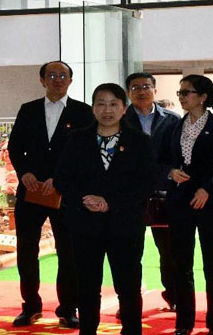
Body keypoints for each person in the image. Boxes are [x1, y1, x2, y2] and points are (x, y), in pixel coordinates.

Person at [54, 83, 156, 335]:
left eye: (113, 104)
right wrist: (85, 199)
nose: (107, 110)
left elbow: (146, 183)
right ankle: (88, 330)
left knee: (128, 285)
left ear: (124, 108)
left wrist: (110, 202)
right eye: (101, 103)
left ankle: (131, 330)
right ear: (93, 108)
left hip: (125, 224)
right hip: (85, 224)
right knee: (87, 285)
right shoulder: (77, 139)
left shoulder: (140, 142)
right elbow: (62, 179)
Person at [7, 60, 94, 327]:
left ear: (71, 80)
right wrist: (24, 172)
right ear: (42, 80)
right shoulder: (28, 110)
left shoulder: (83, 112)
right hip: (31, 190)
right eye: (52, 75)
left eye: (63, 75)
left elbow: (85, 153)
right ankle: (30, 306)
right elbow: (15, 147)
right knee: (26, 251)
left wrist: (60, 180)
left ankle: (68, 309)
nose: (57, 79)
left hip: (65, 194)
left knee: (68, 252)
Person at [164, 74, 213, 335]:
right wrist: (171, 172)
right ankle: (184, 324)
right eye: (180, 93)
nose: (181, 97)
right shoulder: (172, 127)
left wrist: (208, 190)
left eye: (186, 92)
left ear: (203, 97)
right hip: (179, 202)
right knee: (181, 264)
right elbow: (161, 160)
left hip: (211, 203)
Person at [124, 71, 180, 312]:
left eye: (146, 86)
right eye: (135, 87)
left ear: (155, 90)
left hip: (163, 193)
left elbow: (178, 155)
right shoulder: (120, 118)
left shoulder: (172, 120)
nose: (141, 91)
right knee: (128, 252)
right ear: (128, 93)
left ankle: (175, 297)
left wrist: (164, 172)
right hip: (129, 195)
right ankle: (129, 301)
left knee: (169, 251)